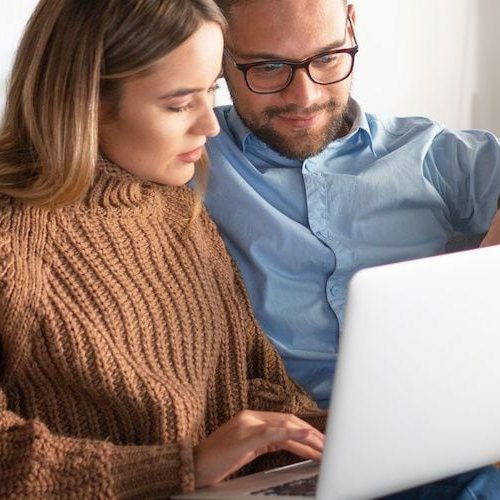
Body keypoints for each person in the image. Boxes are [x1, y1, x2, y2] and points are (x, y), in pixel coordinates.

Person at [0, 0, 328, 497]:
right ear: (86, 99)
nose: (210, 125)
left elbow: (254, 385)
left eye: (211, 91)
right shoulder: (13, 236)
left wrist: (338, 432)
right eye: (178, 104)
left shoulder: (177, 207)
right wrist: (181, 466)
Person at [204, 0, 500, 408]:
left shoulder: (428, 152)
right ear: (219, 52)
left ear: (351, 26)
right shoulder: (192, 157)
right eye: (268, 67)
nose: (304, 97)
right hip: (288, 453)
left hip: (442, 430)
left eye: (327, 57)